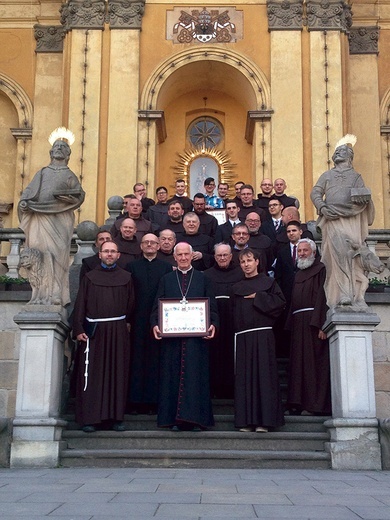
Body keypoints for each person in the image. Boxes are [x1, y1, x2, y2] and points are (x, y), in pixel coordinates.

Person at [151, 242, 218, 431]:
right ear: (174, 257)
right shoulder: (166, 279)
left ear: (191, 256)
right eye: (179, 255)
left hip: (197, 339)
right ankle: (175, 420)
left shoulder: (203, 278)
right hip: (172, 340)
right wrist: (155, 324)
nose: (183, 258)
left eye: (186, 254)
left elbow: (212, 305)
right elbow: (157, 305)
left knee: (196, 378)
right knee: (172, 378)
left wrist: (213, 324)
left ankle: (197, 420)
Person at [72, 241, 135, 432]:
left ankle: (115, 417)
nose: (109, 254)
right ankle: (91, 419)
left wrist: (126, 324)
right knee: (93, 375)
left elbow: (131, 304)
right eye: (106, 251)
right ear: (99, 255)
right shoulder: (90, 277)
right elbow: (80, 303)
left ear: (118, 255)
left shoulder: (127, 277)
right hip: (94, 332)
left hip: (118, 331)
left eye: (113, 251)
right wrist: (78, 328)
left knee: (118, 373)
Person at [18, 138, 85, 306]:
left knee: (57, 257)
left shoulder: (69, 175)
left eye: (63, 147)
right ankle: (39, 293)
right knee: (38, 255)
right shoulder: (42, 173)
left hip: (59, 220)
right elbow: (28, 193)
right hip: (39, 217)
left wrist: (68, 198)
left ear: (68, 154)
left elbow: (79, 195)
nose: (59, 149)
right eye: (56, 146)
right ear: (51, 152)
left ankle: (56, 294)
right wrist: (25, 203)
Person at [311, 137, 375, 308]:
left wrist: (362, 201)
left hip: (351, 221)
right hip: (332, 220)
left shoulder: (356, 177)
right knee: (338, 256)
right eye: (336, 151)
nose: (338, 152)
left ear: (350, 156)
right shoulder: (327, 175)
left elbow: (364, 198)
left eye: (342, 151)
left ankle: (355, 294)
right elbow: (315, 193)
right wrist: (322, 206)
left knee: (352, 255)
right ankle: (342, 294)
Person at [232, 249, 285, 432]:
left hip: (263, 336)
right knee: (245, 379)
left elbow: (280, 303)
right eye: (242, 261)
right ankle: (247, 421)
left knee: (264, 377)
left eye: (249, 260)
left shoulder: (268, 283)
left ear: (257, 262)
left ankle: (265, 421)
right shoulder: (236, 287)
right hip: (243, 337)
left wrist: (259, 297)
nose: (246, 264)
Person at [126, 234, 172, 413]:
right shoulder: (131, 267)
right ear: (141, 246)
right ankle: (135, 402)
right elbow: (128, 295)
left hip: (159, 321)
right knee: (136, 360)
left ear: (159, 246)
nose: (150, 245)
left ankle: (154, 402)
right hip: (136, 320)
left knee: (156, 361)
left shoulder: (167, 268)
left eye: (153, 242)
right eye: (146, 242)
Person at [286, 238, 331, 416]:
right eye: (300, 251)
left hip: (313, 324)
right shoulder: (298, 274)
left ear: (313, 252)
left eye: (305, 251)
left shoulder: (321, 270)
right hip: (298, 325)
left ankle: (314, 405)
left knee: (313, 366)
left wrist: (321, 324)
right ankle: (297, 402)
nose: (302, 254)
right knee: (297, 366)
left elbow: (323, 298)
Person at [204, 243, 243, 399]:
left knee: (232, 354)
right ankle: (215, 387)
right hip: (214, 319)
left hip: (234, 319)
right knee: (214, 354)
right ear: (214, 257)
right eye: (219, 255)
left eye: (225, 255)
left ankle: (231, 387)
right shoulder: (207, 275)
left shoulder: (240, 273)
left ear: (231, 256)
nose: (222, 258)